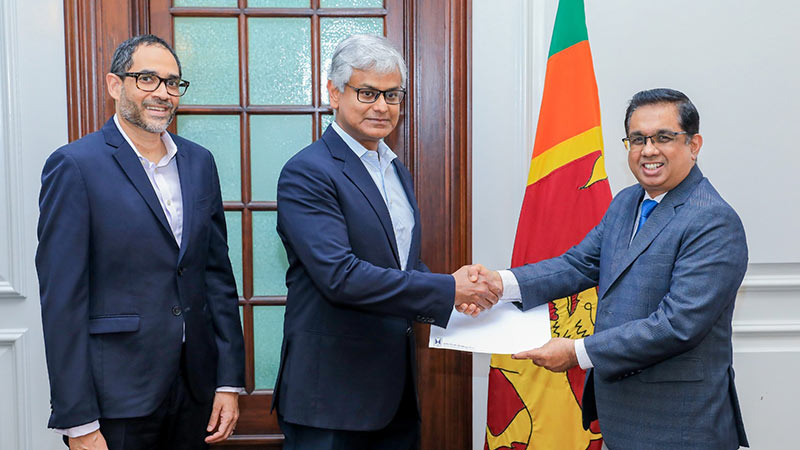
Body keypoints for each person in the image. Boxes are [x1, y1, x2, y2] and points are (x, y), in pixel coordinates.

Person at [476, 88, 749, 449]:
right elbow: (578, 264)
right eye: (638, 139)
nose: (648, 150)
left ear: (693, 144)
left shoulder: (713, 220)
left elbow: (676, 325)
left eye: (663, 137)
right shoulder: (626, 202)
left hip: (680, 425)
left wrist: (577, 352)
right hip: (621, 417)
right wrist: (498, 284)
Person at [272, 34, 499, 450]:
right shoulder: (308, 172)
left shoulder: (394, 170)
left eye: (392, 94)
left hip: (395, 393)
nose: (381, 106)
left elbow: (400, 267)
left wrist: (456, 296)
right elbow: (340, 276)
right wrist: (447, 289)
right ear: (334, 93)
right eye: (367, 92)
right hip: (331, 398)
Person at [36, 35, 245, 450]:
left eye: (172, 82)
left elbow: (216, 277)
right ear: (115, 85)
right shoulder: (75, 165)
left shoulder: (199, 162)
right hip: (116, 396)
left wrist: (228, 381)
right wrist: (78, 422)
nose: (162, 93)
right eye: (147, 79)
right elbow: (62, 301)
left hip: (195, 390)